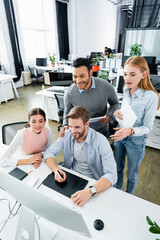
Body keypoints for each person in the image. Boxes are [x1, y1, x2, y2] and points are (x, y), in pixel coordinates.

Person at [44, 106, 117, 206]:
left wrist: (90, 191)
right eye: (70, 126)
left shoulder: (101, 141)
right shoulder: (67, 134)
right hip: (72, 177)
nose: (73, 131)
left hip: (93, 183)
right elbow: (49, 153)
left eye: (77, 127)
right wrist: (56, 170)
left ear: (87, 124)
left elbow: (112, 175)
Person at [110, 56, 160, 194]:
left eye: (132, 74)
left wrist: (130, 131)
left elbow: (147, 127)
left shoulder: (151, 97)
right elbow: (125, 112)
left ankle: (128, 196)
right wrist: (118, 113)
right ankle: (117, 192)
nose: (127, 78)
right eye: (125, 74)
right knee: (117, 168)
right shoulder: (126, 89)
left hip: (136, 141)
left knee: (131, 174)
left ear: (143, 74)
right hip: (120, 135)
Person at [62, 57, 119, 138]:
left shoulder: (105, 86)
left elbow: (115, 104)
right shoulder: (69, 92)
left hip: (101, 131)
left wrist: (109, 116)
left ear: (90, 73)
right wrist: (65, 125)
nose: (78, 81)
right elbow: (67, 112)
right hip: (80, 133)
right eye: (75, 76)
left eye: (82, 76)